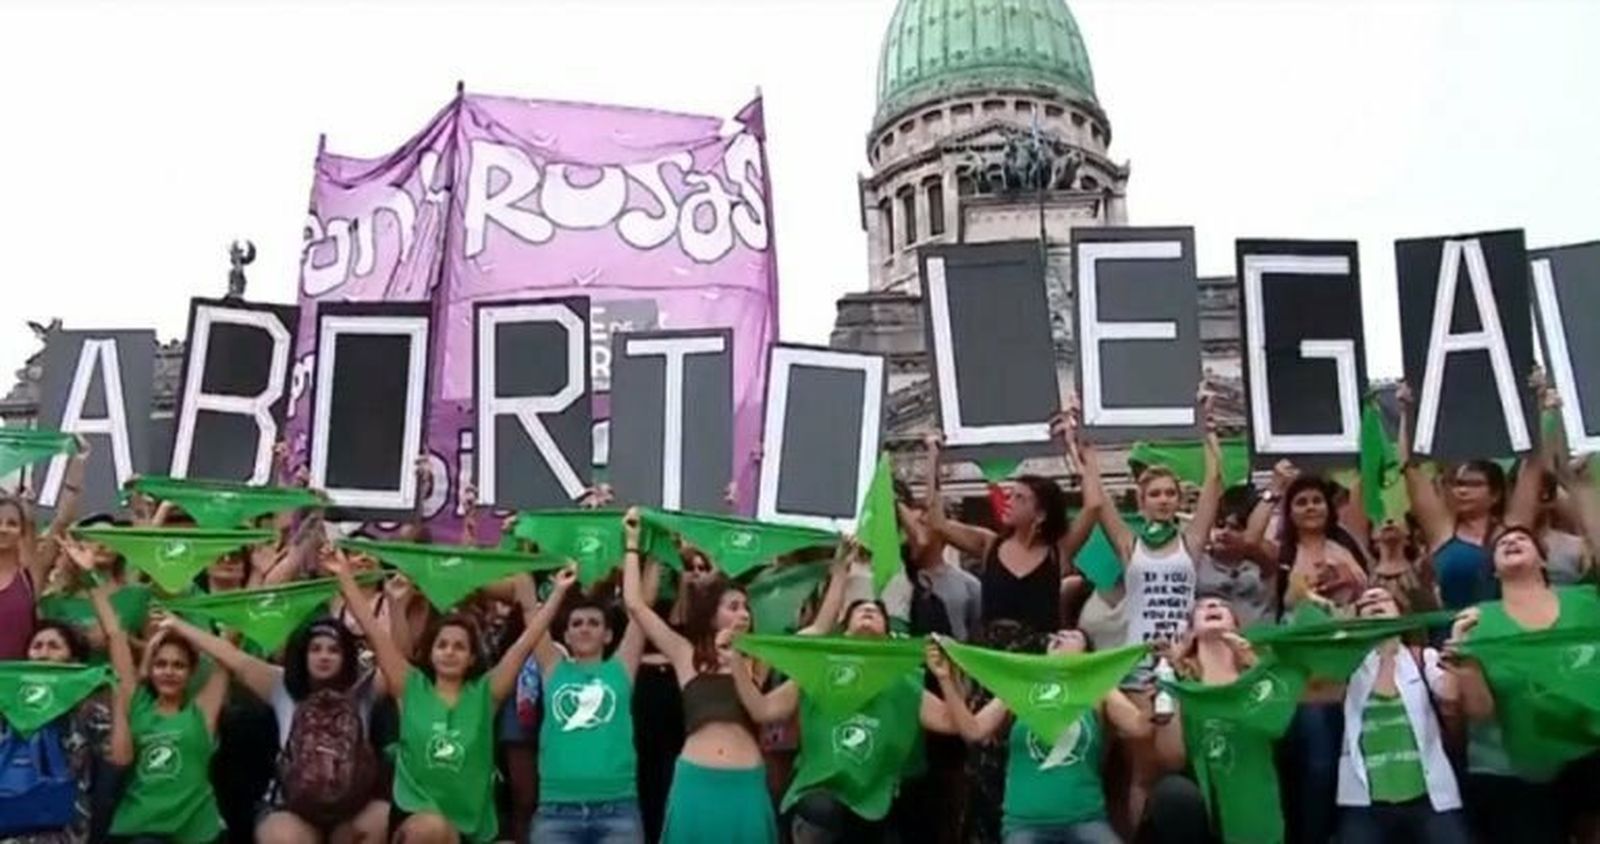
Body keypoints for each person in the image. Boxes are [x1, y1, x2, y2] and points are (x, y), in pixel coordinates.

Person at [620, 507, 845, 844]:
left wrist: (840, 569)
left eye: (745, 607)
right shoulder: (686, 655)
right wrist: (633, 544)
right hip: (696, 783)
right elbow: (636, 604)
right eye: (733, 606)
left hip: (746, 786)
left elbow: (821, 627)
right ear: (712, 616)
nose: (742, 613)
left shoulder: (760, 659)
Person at [330, 548, 576, 844]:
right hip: (419, 823)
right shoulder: (409, 687)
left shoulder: (487, 693)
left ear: (472, 658)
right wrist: (343, 575)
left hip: (473, 829)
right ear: (431, 653)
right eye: (442, 645)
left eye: (459, 647)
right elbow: (373, 629)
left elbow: (526, 642)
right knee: (432, 828)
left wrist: (558, 592)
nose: (449, 651)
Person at [154, 613, 388, 843]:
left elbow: (398, 659)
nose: (323, 657)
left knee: (380, 817)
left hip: (351, 808)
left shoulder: (366, 689)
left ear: (347, 656)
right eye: (315, 649)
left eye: (334, 650)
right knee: (283, 837)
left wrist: (392, 602)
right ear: (303, 653)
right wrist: (176, 624)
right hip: (292, 808)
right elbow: (230, 656)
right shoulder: (280, 685)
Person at [732, 599, 951, 844]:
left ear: (889, 636)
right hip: (818, 802)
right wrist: (736, 659)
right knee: (822, 810)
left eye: (877, 611)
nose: (868, 610)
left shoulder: (905, 681)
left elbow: (952, 722)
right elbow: (763, 710)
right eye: (859, 609)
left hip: (871, 809)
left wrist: (947, 677)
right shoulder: (818, 668)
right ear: (844, 631)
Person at [1444, 526, 1600, 844]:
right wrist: (1466, 662)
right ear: (1494, 571)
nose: (1511, 541)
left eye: (1521, 538)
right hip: (1520, 771)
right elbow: (1481, 711)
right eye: (1502, 542)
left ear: (1544, 560)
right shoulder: (1476, 621)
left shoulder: (1586, 600)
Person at [930, 628, 1150, 844]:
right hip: (1025, 825)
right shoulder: (1021, 685)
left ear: (1087, 655)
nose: (1060, 636)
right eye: (1058, 634)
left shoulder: (1099, 687)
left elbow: (1140, 726)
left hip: (1086, 821)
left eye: (1072, 636)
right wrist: (945, 679)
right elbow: (973, 730)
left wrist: (1159, 691)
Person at [922, 433, 1097, 644]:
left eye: (1019, 498)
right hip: (994, 662)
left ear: (1040, 514)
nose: (1008, 501)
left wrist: (1076, 449)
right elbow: (937, 523)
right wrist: (933, 457)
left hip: (1038, 662)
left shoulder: (1058, 551)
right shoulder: (989, 544)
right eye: (1010, 494)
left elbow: (1093, 505)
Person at [1332, 586, 1468, 843]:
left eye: (1382, 597)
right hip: (1365, 802)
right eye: (1365, 603)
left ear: (1401, 612)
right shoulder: (1348, 666)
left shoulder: (1422, 657)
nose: (1373, 602)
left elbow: (1449, 695)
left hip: (1428, 798)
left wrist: (1459, 636)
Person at [527, 569, 654, 842]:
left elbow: (643, 609)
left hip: (617, 809)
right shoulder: (552, 668)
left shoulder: (621, 668)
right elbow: (532, 620)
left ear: (608, 635)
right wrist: (559, 590)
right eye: (577, 623)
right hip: (556, 811)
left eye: (594, 623)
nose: (584, 628)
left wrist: (654, 555)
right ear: (567, 636)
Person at [102, 610, 230, 842]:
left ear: (191, 673)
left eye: (178, 665)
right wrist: (92, 580)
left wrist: (179, 626)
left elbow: (228, 650)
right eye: (160, 664)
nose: (169, 672)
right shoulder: (137, 704)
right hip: (142, 828)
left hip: (197, 831)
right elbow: (116, 635)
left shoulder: (202, 711)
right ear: (150, 670)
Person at [1397, 383, 1527, 610]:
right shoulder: (1442, 530)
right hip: (1452, 637)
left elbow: (1534, 466)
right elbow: (1410, 468)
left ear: (1495, 493)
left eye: (1473, 484)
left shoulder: (1513, 529)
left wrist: (1544, 407)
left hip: (1507, 636)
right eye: (1457, 484)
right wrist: (1406, 411)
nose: (1462, 491)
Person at [0, 615, 112, 844]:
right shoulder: (6, 703)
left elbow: (119, 757)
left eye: (54, 646)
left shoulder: (89, 708)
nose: (43, 653)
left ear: (73, 660)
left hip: (62, 829)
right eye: (36, 646)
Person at [0, 440, 88, 661]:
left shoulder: (30, 576)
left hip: (17, 687)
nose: (3, 529)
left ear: (21, 531)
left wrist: (77, 464)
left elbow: (61, 521)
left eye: (11, 523)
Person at [1247, 466, 1370, 615]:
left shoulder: (1348, 543)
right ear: (1289, 513)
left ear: (1328, 508)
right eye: (1301, 503)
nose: (1310, 507)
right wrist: (1274, 490)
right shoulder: (1283, 554)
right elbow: (1250, 541)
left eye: (1317, 501)